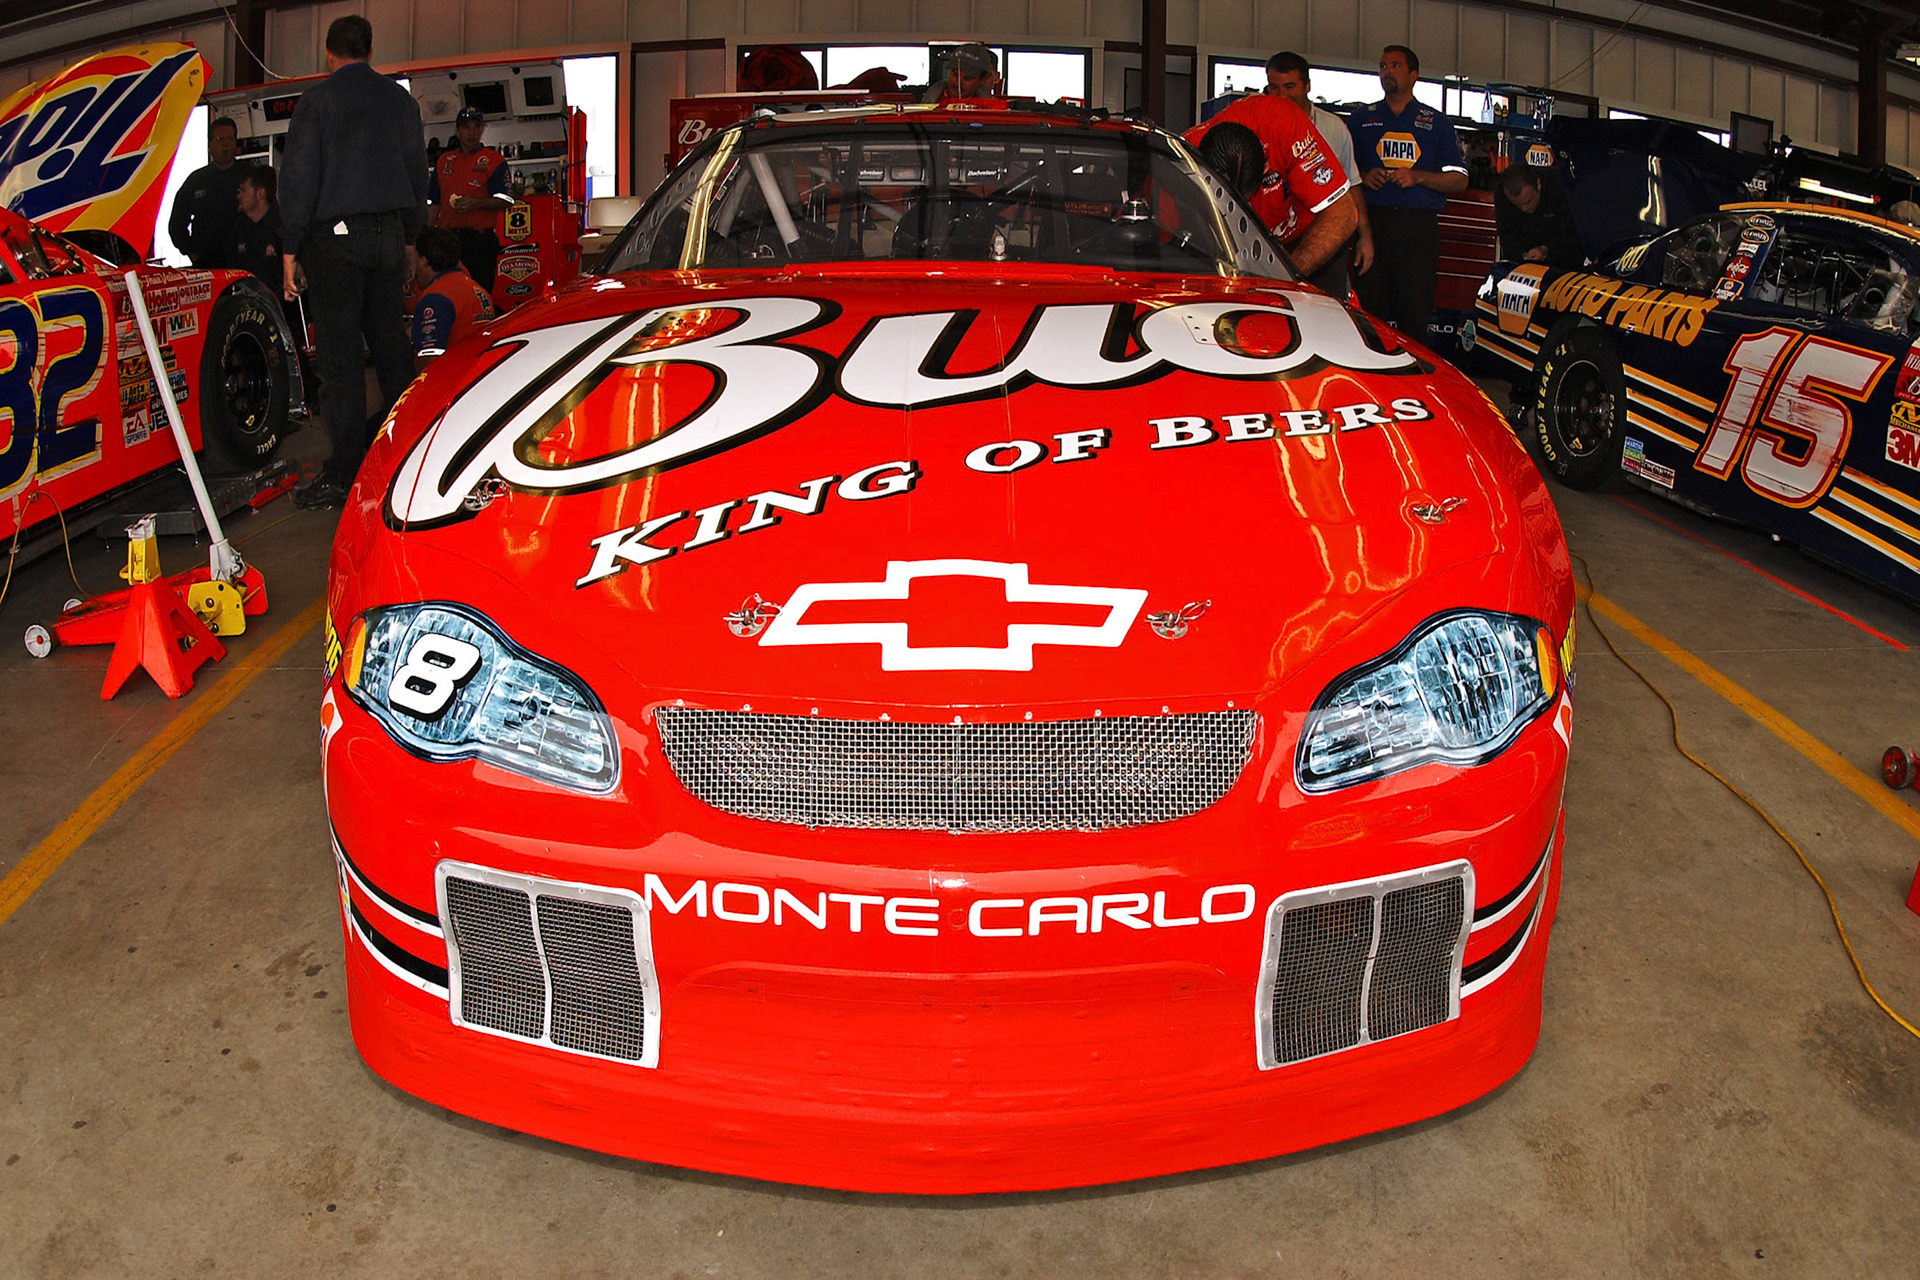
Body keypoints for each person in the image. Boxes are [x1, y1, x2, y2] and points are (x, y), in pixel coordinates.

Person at [280, 15, 427, 512]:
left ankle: (345, 473)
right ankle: (412, 454)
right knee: (391, 350)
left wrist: (289, 250)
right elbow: (416, 171)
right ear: (369, 48)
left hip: (335, 243)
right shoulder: (400, 101)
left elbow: (299, 178)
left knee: (340, 363)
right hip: (388, 235)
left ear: (328, 54)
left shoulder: (316, 103)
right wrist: (408, 240)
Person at [1346, 45, 1468, 339]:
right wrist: (1363, 175)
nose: (1387, 71)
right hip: (1370, 225)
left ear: (1414, 75)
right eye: (1383, 66)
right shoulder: (1362, 119)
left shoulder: (1436, 123)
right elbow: (1339, 171)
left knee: (1414, 311)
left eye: (1395, 66)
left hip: (1418, 228)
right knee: (1368, 312)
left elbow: (1459, 180)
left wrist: (1418, 178)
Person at [1182, 95, 1356, 293]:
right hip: (1234, 247)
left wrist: (1285, 276)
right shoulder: (1185, 157)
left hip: (1307, 239)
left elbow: (1344, 214)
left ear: (1265, 168)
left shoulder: (1283, 123)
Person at [1264, 51, 1373, 299]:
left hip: (1326, 238)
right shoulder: (1258, 124)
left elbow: (1351, 185)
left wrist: (1365, 237)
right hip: (1273, 241)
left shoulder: (1334, 128)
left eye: (1290, 86)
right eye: (1274, 87)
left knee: (1327, 312)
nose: (1282, 95)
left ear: (1307, 86)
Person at [428, 106, 512, 291]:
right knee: (448, 293)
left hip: (479, 243)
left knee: (479, 294)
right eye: (466, 127)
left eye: (476, 126)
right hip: (447, 243)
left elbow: (507, 200)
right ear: (457, 131)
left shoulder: (494, 160)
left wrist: (475, 204)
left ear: (482, 129)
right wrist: (423, 238)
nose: (471, 132)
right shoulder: (444, 161)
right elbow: (433, 203)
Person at [167, 116, 243, 268]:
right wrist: (191, 252)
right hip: (207, 264)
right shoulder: (196, 181)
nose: (225, 145)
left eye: (229, 139)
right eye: (220, 139)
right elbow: (176, 224)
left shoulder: (248, 176)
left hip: (243, 261)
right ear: (210, 145)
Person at [410, 227, 496, 361]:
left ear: (423, 260)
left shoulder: (435, 297)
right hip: (480, 371)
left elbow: (430, 360)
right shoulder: (477, 289)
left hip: (454, 376)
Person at [1496, 164, 1583, 267]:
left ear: (1538, 185)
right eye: (1517, 205)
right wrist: (1522, 254)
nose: (1524, 209)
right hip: (1525, 265)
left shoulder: (1559, 184)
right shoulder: (1501, 193)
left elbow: (1574, 234)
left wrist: (1546, 250)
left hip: (1566, 263)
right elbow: (1506, 237)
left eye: (1528, 201)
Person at [228, 165, 282, 296]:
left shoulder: (283, 226)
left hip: (279, 308)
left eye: (244, 190)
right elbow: (231, 270)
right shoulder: (240, 227)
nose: (238, 196)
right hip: (246, 306)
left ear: (259, 193)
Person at [927, 44, 1002, 102]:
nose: (959, 82)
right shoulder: (932, 97)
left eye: (967, 78)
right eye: (955, 74)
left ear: (982, 80)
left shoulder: (989, 108)